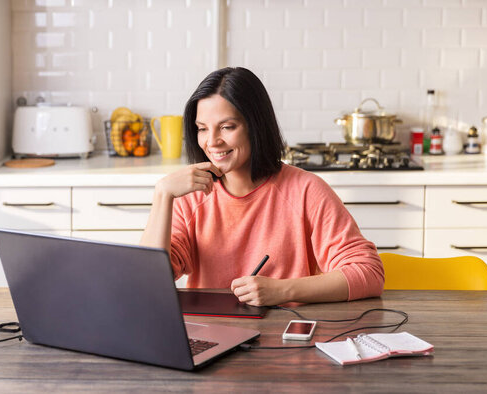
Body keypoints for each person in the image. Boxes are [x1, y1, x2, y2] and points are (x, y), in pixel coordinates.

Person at [140, 67, 384, 306]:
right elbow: (149, 282)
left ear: (255, 126)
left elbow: (369, 273)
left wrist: (283, 290)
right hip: (212, 335)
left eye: (227, 127)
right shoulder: (190, 197)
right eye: (202, 129)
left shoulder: (306, 190)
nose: (212, 141)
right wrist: (163, 194)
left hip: (284, 337)